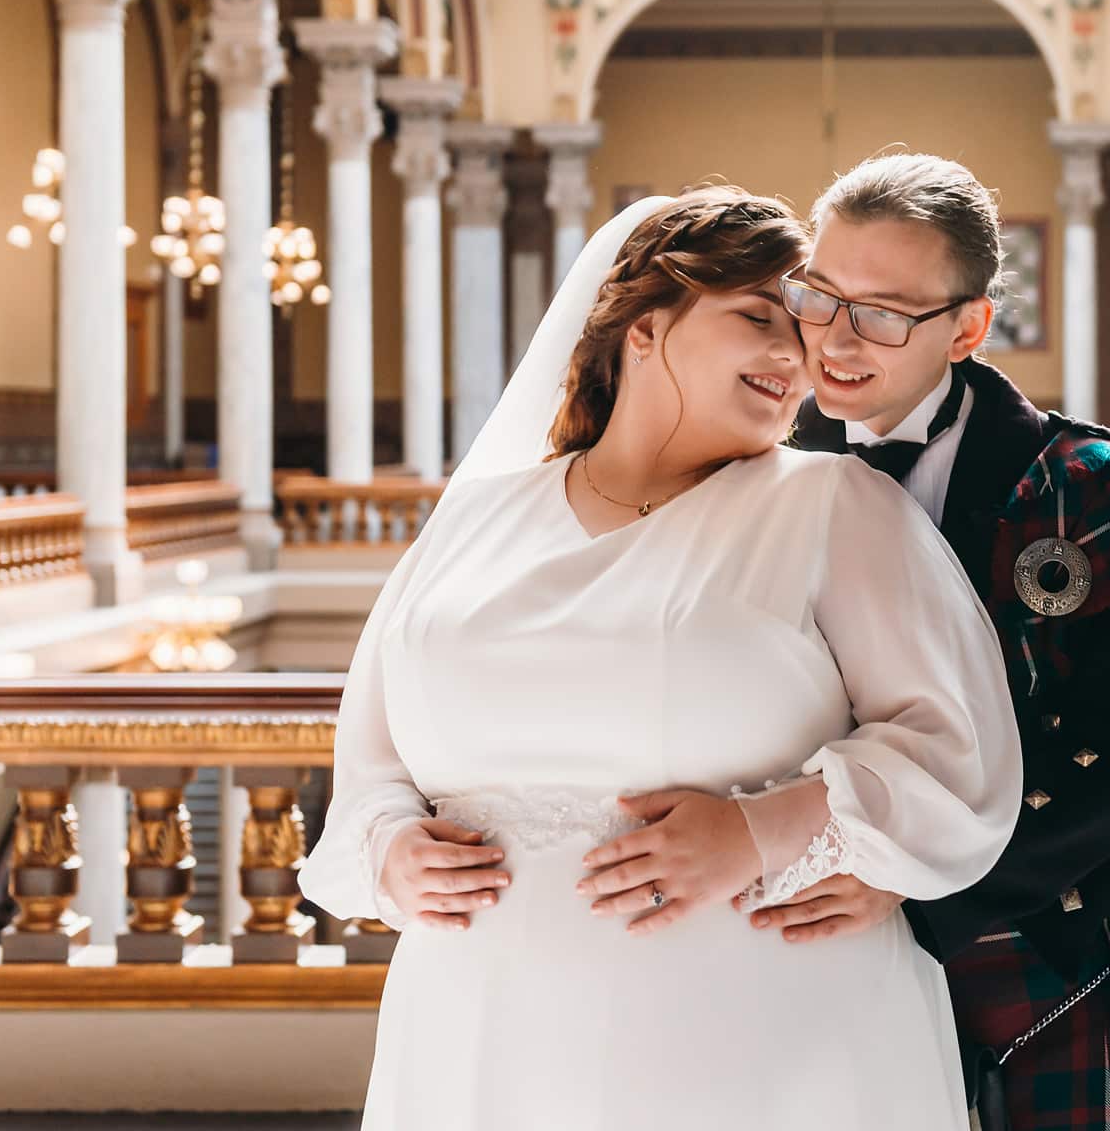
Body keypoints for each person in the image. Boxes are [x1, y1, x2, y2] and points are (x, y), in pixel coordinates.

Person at [298, 188, 1023, 1131]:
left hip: (767, 1045)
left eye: (798, 334)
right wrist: (390, 850)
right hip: (479, 1042)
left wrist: (758, 833)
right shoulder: (475, 521)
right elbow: (372, 767)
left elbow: (957, 753)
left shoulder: (833, 506)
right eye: (760, 318)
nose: (791, 358)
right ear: (644, 326)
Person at [756, 154, 1110, 1130]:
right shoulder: (742, 464)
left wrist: (911, 883)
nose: (832, 339)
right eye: (817, 294)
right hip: (785, 921)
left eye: (881, 312)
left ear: (968, 324)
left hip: (1034, 939)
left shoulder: (1099, 490)